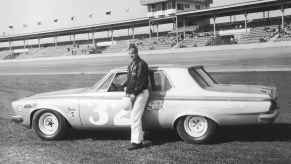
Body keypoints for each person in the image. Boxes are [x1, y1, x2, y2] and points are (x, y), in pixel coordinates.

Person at [125, 43, 149, 151]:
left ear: (137, 52)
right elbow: (130, 80)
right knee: (135, 117)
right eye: (130, 53)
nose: (132, 55)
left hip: (141, 92)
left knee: (135, 117)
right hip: (134, 93)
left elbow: (142, 81)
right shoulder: (131, 65)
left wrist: (134, 93)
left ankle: (137, 142)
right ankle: (138, 138)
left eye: (133, 53)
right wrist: (124, 87)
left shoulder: (142, 64)